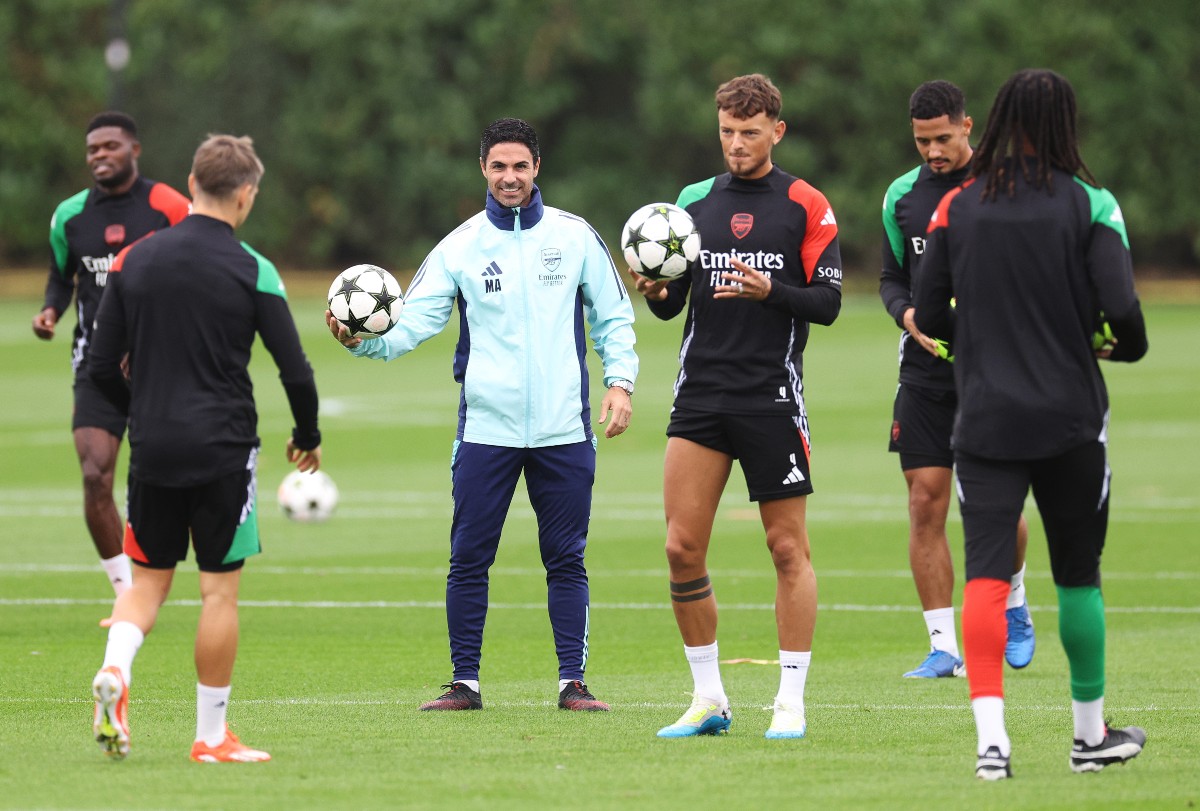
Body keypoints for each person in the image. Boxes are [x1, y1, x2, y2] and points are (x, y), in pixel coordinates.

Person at [327, 117, 637, 713]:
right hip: (486, 431)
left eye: (520, 166)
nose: (510, 177)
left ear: (537, 168)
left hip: (563, 429)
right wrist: (361, 342)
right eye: (499, 166)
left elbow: (614, 318)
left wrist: (619, 383)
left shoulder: (575, 238)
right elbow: (410, 324)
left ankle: (573, 682)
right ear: (483, 170)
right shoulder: (459, 246)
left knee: (566, 557)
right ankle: (464, 683)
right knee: (468, 558)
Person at [914, 68, 1148, 780]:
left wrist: (974, 344)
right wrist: (1108, 343)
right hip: (1070, 417)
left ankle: (993, 745)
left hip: (984, 415)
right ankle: (1088, 737)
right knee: (1078, 574)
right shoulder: (1090, 203)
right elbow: (1125, 316)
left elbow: (928, 315)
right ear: (1065, 125)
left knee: (987, 573)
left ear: (993, 121)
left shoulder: (958, 205)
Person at [87, 134, 322, 763]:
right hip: (223, 449)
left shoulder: (134, 260)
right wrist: (307, 436)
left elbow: (102, 364)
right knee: (218, 593)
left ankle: (116, 674)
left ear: (191, 184)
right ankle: (212, 736)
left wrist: (137, 407)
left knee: (145, 586)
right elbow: (295, 370)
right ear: (246, 195)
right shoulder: (254, 268)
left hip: (154, 445)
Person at [630, 74, 841, 739]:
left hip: (771, 396)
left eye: (750, 132)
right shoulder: (694, 201)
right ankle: (708, 697)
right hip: (701, 394)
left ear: (777, 130)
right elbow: (673, 307)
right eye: (726, 130)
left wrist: (769, 289)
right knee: (680, 546)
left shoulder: (807, 204)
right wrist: (655, 291)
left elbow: (828, 303)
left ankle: (790, 702)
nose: (736, 144)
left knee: (786, 548)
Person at [880, 81, 1035, 679]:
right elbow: (892, 276)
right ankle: (944, 646)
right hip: (922, 371)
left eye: (943, 138)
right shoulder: (902, 195)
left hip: (995, 372)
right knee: (925, 501)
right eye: (922, 141)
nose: (933, 151)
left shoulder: (1002, 185)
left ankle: (1015, 599)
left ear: (968, 127)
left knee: (996, 507)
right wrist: (906, 314)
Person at [32, 112, 190, 625]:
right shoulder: (70, 216)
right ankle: (127, 592)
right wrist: (51, 311)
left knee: (161, 478)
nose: (100, 155)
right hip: (96, 367)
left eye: (110, 146)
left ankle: (156, 578)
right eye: (92, 149)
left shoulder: (169, 207)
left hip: (159, 368)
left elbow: (198, 266)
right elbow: (62, 277)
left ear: (134, 150)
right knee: (96, 475)